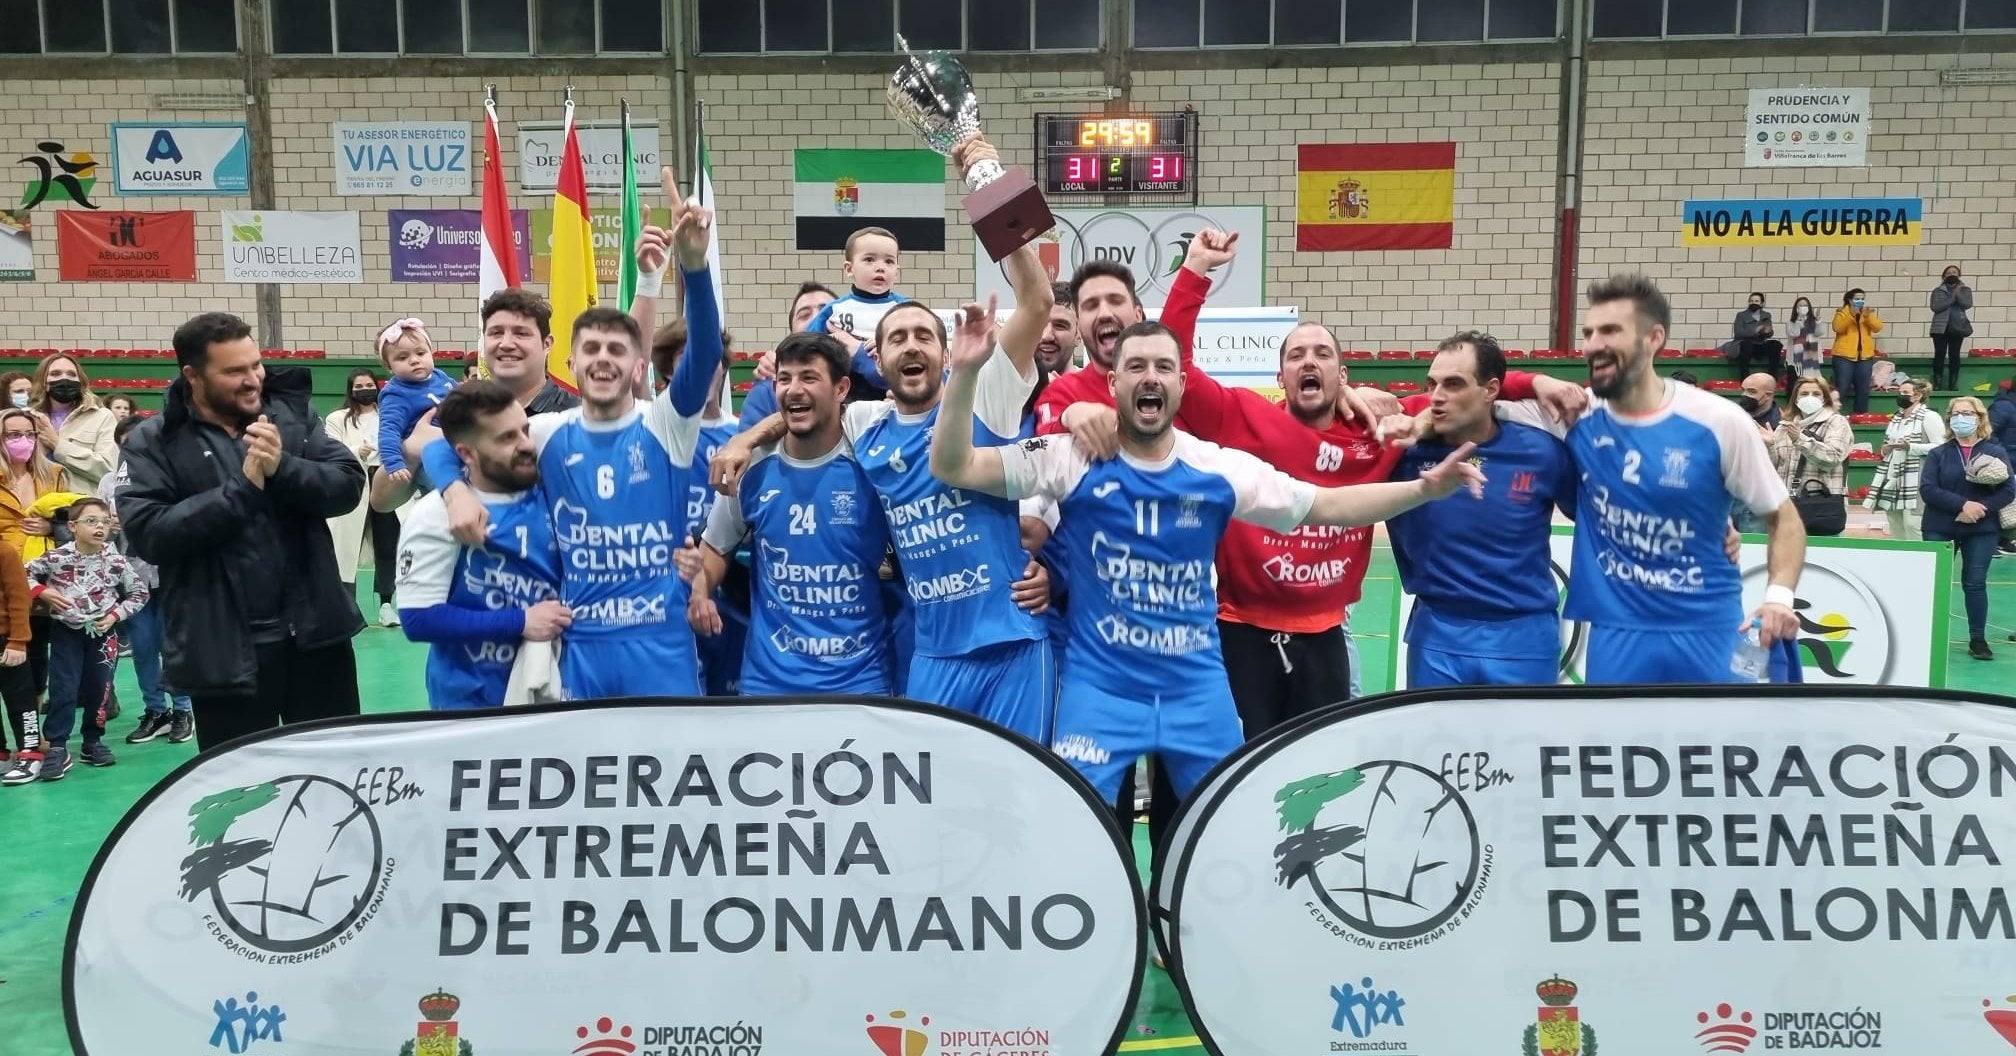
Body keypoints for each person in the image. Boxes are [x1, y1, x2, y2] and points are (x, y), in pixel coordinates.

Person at [929, 316, 1485, 807]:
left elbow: (1331, 506)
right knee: (1078, 825)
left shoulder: (1218, 468)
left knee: (1223, 827)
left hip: (1197, 691)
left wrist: (1422, 490)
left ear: (1180, 384)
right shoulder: (1068, 456)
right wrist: (965, 376)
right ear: (1115, 382)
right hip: (1098, 692)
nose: (1151, 376)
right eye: (1137, 366)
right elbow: (955, 467)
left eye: (1164, 367)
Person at [712, 226, 1056, 736]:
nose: (911, 346)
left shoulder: (985, 396)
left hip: (1013, 644)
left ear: (946, 354)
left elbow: (1037, 299)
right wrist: (746, 439)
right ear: (876, 357)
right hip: (933, 654)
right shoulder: (864, 423)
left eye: (924, 336)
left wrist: (987, 183)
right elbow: (804, 407)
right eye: (897, 337)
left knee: (1019, 800)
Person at [427, 177, 724, 699]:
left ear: (638, 366)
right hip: (581, 650)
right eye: (591, 349)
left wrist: (694, 269)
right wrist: (453, 489)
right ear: (571, 362)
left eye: (616, 349)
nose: (603, 358)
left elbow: (701, 358)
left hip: (661, 650)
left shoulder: (666, 427)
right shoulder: (543, 432)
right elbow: (440, 441)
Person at [1511, 274, 1804, 683]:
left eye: (1610, 331)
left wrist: (1778, 598)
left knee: (1721, 744)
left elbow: (1784, 518)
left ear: (1653, 338)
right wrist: (1537, 380)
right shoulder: (1574, 412)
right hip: (1617, 633)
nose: (1594, 343)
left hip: (1711, 629)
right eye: (1589, 333)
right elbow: (1478, 391)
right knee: (1616, 747)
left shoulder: (1718, 421)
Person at [119, 311, 367, 751]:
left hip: (314, 638)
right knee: (242, 799)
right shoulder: (153, 442)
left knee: (337, 773)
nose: (253, 379)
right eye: (234, 371)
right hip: (223, 652)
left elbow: (347, 484)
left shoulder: (290, 417)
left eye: (255, 364)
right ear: (193, 375)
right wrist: (243, 490)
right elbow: (149, 534)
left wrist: (284, 467)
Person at [691, 333, 894, 695]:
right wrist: (700, 591)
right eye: (784, 379)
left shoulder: (870, 456)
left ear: (842, 388)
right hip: (770, 685)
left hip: (861, 683)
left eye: (809, 378)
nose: (793, 389)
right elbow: (715, 547)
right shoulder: (750, 466)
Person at [1387, 332, 1577, 687]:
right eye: (1431, 384)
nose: (1437, 397)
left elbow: (1597, 518)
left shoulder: (1542, 452)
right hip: (1436, 636)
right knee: (1435, 743)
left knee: (1523, 743)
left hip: (1525, 638)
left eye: (1454, 384)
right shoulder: (1402, 453)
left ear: (1491, 390)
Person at [395, 381, 567, 709]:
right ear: (465, 453)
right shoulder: (436, 512)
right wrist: (520, 622)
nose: (527, 445)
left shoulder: (551, 496)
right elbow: (418, 619)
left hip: (552, 699)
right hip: (468, 706)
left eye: (524, 431)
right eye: (507, 438)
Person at [372, 289, 582, 514]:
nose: (506, 343)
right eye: (495, 333)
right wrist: (410, 451)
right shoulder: (457, 405)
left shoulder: (577, 415)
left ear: (547, 343)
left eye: (521, 333)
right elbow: (382, 502)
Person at [20, 497, 147, 780]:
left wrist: (116, 615)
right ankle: (57, 746)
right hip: (67, 633)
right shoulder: (55, 558)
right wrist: (41, 591)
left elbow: (139, 593)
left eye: (104, 522)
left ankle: (93, 740)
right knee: (64, 689)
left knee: (100, 689)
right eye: (91, 521)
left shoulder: (116, 561)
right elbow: (21, 574)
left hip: (104, 635)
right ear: (73, 526)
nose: (99, 527)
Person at [655, 318, 747, 696]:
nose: (701, 368)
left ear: (724, 367)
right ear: (668, 370)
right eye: (685, 358)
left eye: (711, 359)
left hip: (733, 589)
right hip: (669, 588)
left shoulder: (743, 434)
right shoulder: (655, 429)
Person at [99, 414, 192, 744]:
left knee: (174, 647)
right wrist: (108, 529)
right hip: (133, 581)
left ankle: (183, 709)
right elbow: (99, 534)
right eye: (125, 442)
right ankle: (156, 710)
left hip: (171, 576)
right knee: (142, 649)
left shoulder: (175, 474)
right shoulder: (110, 482)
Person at [1920, 396, 2012, 662]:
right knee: (1933, 584)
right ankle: (1925, 634)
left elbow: (2008, 489)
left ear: (1980, 417)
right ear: (1949, 419)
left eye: (1968, 413)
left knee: (1974, 583)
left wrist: (1979, 508)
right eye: (1957, 413)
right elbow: (1928, 489)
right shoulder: (1939, 453)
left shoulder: (1996, 451)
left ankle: (1978, 639)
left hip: (1982, 529)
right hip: (1940, 525)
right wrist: (1963, 505)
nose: (1962, 418)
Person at [325, 368, 408, 626]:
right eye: (358, 386)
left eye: (368, 384)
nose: (364, 390)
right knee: (347, 546)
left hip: (385, 481)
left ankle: (385, 604)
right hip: (354, 481)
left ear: (377, 386)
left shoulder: (389, 415)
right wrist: (355, 450)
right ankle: (345, 604)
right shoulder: (337, 418)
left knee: (388, 544)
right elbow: (330, 449)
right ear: (351, 390)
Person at [372, 318, 457, 483]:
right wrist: (394, 463)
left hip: (456, 443)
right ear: (389, 366)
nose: (414, 360)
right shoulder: (395, 394)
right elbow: (389, 431)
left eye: (420, 353)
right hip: (427, 459)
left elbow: (463, 398)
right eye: (402, 357)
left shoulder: (440, 376)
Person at [1769, 375, 1854, 539]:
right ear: (1795, 398)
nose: (1810, 397)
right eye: (1804, 393)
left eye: (1816, 394)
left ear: (1824, 399)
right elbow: (1776, 466)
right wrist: (1769, 445)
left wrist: (1799, 439)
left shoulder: (1836, 422)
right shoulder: (1784, 426)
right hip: (1786, 506)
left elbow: (1832, 457)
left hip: (1821, 506)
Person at [1863, 378, 1944, 541]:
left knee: (1913, 524)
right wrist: (1885, 449)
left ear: (1918, 396)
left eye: (1905, 393)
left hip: (1917, 478)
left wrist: (1912, 447)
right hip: (1893, 477)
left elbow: (1941, 447)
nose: (1901, 396)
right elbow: (1888, 444)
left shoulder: (1930, 417)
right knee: (1895, 523)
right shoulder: (1896, 418)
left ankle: (1920, 561)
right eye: (1900, 392)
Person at [31, 353, 119, 491]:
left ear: (80, 382)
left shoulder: (102, 417)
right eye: (55, 373)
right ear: (44, 382)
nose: (64, 378)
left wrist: (57, 444)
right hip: (37, 503)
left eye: (71, 374)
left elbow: (109, 471)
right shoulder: (29, 418)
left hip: (83, 506)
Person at [0, 535, 37, 773]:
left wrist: (18, 641)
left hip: (7, 641)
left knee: (20, 699)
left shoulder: (4, 551)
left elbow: (20, 597)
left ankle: (30, 752)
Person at [1830, 287, 1883, 413]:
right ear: (1849, 300)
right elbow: (1837, 328)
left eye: (1862, 299)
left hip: (1864, 357)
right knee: (1842, 386)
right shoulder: (1842, 312)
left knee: (1863, 388)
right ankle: (1833, 413)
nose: (1860, 301)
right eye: (1857, 299)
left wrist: (1868, 316)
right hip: (1844, 356)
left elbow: (1878, 327)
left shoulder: (1867, 313)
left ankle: (1860, 415)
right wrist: (1852, 315)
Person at [1929, 265, 1974, 393]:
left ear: (1959, 275)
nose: (1952, 274)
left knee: (1954, 355)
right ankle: (1937, 383)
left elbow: (1967, 304)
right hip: (1940, 328)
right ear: (1944, 276)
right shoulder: (1938, 291)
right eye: (1949, 273)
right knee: (1939, 355)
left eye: (1954, 272)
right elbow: (1936, 307)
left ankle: (1952, 384)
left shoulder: (1965, 290)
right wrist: (1952, 297)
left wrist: (1958, 293)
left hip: (1957, 327)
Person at [1727, 293, 1780, 380]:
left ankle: (1772, 377)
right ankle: (1744, 378)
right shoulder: (1741, 315)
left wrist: (1768, 332)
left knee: (1776, 345)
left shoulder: (1766, 315)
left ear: (1762, 303)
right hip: (1746, 345)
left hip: (1760, 344)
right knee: (1746, 345)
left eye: (1756, 301)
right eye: (1751, 301)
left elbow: (1769, 333)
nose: (1753, 303)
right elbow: (1738, 333)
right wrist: (1755, 331)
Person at [1784, 297, 1823, 381]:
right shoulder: (1791, 322)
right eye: (1800, 305)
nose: (1803, 307)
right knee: (1794, 385)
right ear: (1796, 308)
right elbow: (1794, 334)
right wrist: (1799, 320)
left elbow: (1819, 333)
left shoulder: (1814, 321)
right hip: (1795, 360)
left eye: (1805, 305)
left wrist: (1818, 320)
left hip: (1812, 357)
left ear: (1809, 307)